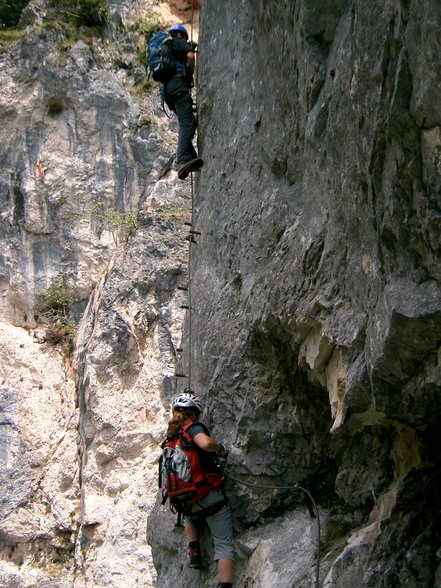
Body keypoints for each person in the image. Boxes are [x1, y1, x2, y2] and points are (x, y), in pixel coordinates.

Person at [167, 391, 234, 588]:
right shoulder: (193, 429)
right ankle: (225, 584)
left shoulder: (172, 437)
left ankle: (194, 549)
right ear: (194, 414)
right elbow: (205, 443)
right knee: (224, 544)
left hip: (185, 500)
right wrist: (220, 447)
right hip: (207, 495)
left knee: (191, 514)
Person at [163, 24, 204, 180]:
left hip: (169, 93)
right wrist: (190, 72)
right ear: (180, 35)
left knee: (185, 121)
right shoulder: (178, 42)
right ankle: (181, 160)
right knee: (188, 123)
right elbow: (190, 56)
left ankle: (191, 157)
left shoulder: (167, 47)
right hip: (179, 87)